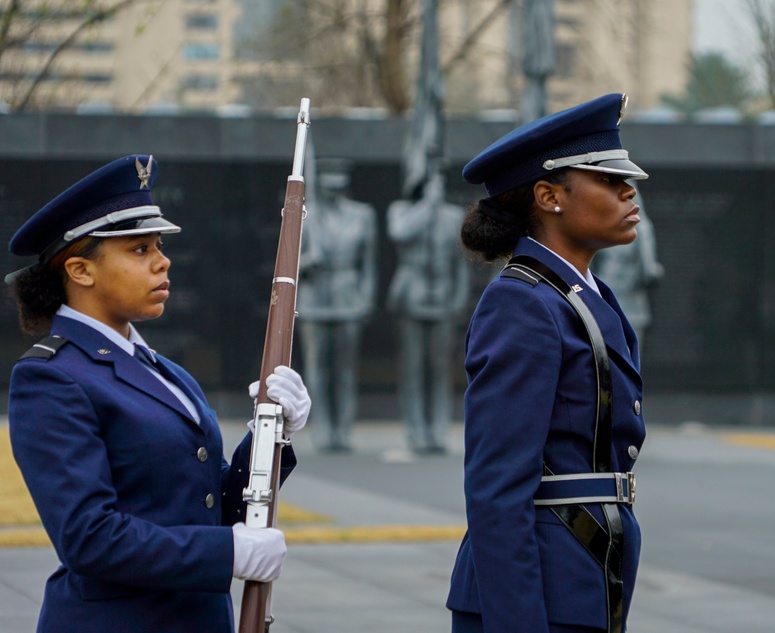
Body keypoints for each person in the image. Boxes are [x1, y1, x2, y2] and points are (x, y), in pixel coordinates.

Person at [5, 155, 312, 633]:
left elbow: (212, 506)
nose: (162, 260)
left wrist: (271, 434)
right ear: (81, 270)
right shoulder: (52, 378)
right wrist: (229, 552)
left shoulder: (165, 373)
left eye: (158, 245)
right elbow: (89, 539)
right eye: (139, 249)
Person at [446, 93, 647, 633]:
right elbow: (497, 488)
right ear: (549, 195)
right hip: (535, 594)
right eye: (607, 180)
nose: (630, 191)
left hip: (581, 580)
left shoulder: (582, 293)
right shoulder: (523, 302)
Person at [386, 170, 469, 453]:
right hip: (411, 294)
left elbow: (461, 261)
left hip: (442, 296)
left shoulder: (453, 216)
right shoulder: (403, 211)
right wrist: (428, 205)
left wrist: (459, 297)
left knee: (440, 368)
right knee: (413, 367)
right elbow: (400, 233)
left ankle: (438, 429)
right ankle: (415, 430)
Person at [298, 157, 377, 451]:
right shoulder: (306, 215)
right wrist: (308, 261)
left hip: (347, 296)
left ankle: (343, 429)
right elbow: (288, 264)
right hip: (314, 297)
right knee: (317, 368)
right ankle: (322, 429)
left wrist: (366, 299)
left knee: (345, 370)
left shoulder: (362, 215)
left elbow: (368, 264)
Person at [591, 186, 663, 352]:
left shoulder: (635, 228)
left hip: (615, 301)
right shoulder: (639, 228)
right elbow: (650, 270)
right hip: (615, 301)